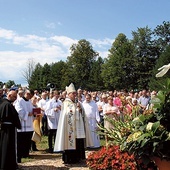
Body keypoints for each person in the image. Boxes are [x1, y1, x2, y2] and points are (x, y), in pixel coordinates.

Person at [54, 83, 93, 164]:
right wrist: (76, 111)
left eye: (75, 93)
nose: (75, 95)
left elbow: (83, 113)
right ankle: (70, 159)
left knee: (78, 142)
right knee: (70, 141)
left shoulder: (77, 102)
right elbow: (67, 113)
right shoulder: (66, 103)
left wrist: (80, 109)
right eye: (73, 93)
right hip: (69, 127)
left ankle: (78, 157)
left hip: (78, 126)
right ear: (69, 94)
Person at [0, 90, 21, 170]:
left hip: (3, 129)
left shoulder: (2, 103)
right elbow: (14, 117)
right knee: (8, 147)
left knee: (3, 147)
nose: (15, 98)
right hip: (9, 130)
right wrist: (17, 124)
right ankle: (8, 165)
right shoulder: (7, 105)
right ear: (9, 95)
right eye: (14, 97)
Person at [14, 89, 34, 163]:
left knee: (28, 140)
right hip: (22, 124)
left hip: (29, 124)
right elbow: (18, 111)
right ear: (25, 93)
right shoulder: (19, 101)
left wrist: (35, 112)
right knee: (21, 141)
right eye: (28, 94)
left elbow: (32, 109)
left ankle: (26, 153)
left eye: (30, 94)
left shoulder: (29, 102)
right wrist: (27, 114)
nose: (29, 96)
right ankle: (21, 154)